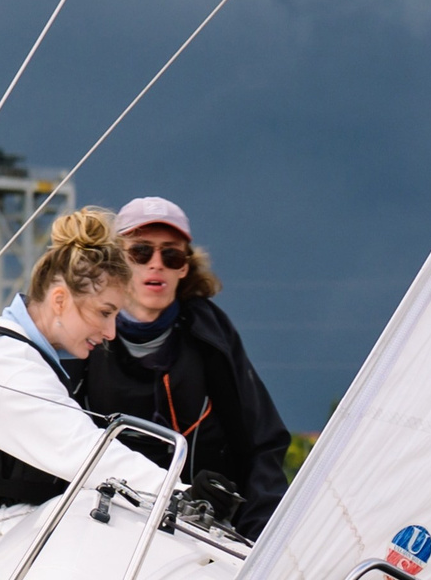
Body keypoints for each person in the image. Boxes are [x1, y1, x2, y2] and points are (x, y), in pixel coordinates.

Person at [0, 207, 167, 579]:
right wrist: (178, 494)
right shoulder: (7, 367)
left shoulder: (17, 354)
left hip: (8, 556)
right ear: (59, 300)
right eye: (105, 312)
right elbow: (86, 454)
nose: (111, 332)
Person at [70, 196, 292, 538]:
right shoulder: (80, 333)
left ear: (185, 267)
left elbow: (263, 442)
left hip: (206, 534)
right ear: (115, 261)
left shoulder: (211, 336)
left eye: (171, 255)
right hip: (100, 525)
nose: (156, 264)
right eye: (140, 252)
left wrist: (258, 538)